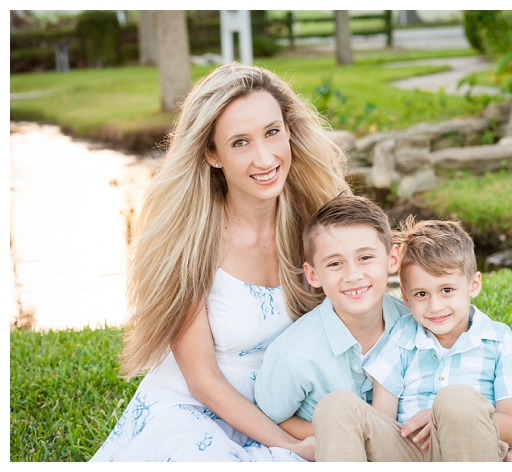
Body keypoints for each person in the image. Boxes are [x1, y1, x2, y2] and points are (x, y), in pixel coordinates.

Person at [90, 62, 349, 462]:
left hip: (287, 407)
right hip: (196, 414)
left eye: (272, 132)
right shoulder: (190, 240)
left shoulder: (318, 224)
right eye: (240, 143)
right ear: (212, 153)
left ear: (289, 130)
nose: (264, 158)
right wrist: (291, 445)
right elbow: (203, 380)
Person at [313, 217, 512, 462]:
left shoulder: (498, 341)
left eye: (447, 290)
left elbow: (511, 425)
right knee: (336, 405)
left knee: (456, 399)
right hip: (409, 450)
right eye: (422, 294)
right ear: (405, 295)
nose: (435, 306)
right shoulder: (400, 337)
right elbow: (383, 420)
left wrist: (442, 418)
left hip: (469, 448)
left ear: (473, 285)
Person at [253, 195, 410, 441]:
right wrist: (345, 435)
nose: (353, 275)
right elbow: (273, 418)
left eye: (365, 257)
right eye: (335, 263)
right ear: (313, 275)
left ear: (392, 259)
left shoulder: (414, 325)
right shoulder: (293, 355)